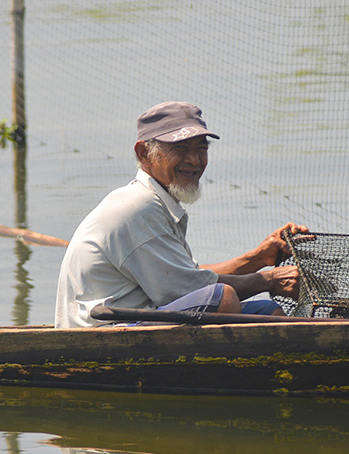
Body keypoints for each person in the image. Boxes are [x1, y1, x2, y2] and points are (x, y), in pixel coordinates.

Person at [55, 101, 309, 328]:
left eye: (201, 148)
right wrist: (268, 280)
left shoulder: (155, 201)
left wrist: (257, 258)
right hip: (105, 333)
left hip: (137, 318)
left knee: (266, 312)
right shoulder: (138, 208)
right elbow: (190, 289)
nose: (194, 160)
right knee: (223, 297)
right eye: (180, 148)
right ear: (144, 153)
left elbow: (189, 275)